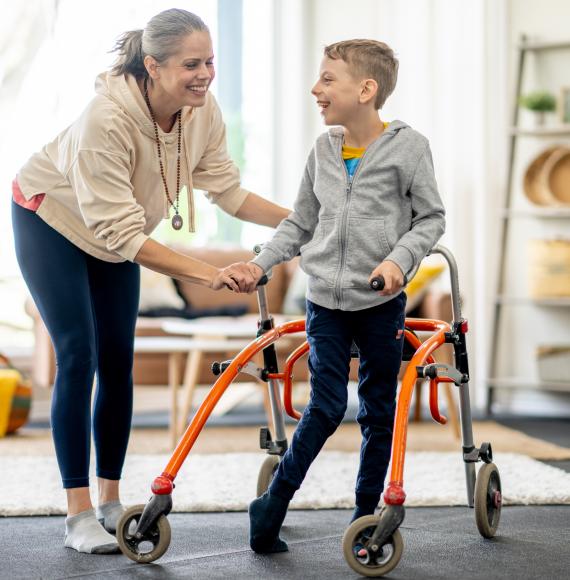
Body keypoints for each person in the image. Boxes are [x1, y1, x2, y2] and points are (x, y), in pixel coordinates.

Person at [11, 8, 288, 554]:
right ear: (152, 65)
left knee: (119, 359)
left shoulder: (200, 112)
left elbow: (228, 192)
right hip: (50, 220)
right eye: (191, 64)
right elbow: (124, 237)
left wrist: (304, 218)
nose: (205, 73)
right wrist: (212, 275)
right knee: (78, 354)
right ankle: (77, 515)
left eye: (210, 61)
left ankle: (111, 500)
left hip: (113, 235)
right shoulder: (104, 121)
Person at [240, 39, 446, 553]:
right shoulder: (322, 149)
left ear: (366, 89)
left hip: (380, 305)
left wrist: (398, 262)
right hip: (325, 304)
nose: (317, 88)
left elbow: (431, 219)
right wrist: (260, 264)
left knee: (377, 411)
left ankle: (365, 517)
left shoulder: (410, 148)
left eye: (328, 79)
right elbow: (300, 222)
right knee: (327, 406)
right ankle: (272, 502)